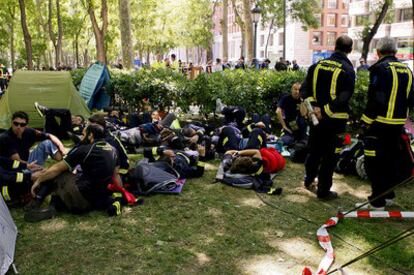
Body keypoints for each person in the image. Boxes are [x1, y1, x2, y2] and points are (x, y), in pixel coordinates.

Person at [357, 38, 414, 210]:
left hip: (379, 123)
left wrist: (365, 121)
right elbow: (411, 99)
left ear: (379, 52)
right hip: (397, 125)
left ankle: (377, 201)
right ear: (395, 52)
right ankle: (388, 195)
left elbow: (376, 98)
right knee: (390, 160)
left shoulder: (379, 68)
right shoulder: (407, 69)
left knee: (374, 163)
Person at [25, 124, 122, 222]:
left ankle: (36, 202)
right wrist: (122, 192)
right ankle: (54, 206)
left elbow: (56, 169)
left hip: (80, 199)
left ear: (90, 135)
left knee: (58, 172)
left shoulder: (85, 150)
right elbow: (116, 176)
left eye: (83, 134)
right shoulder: (114, 150)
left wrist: (39, 180)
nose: (81, 138)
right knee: (75, 178)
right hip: (96, 201)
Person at [301, 35, 355, 200]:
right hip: (336, 121)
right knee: (330, 156)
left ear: (335, 47)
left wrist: (315, 108)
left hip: (316, 120)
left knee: (314, 151)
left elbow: (304, 90)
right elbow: (344, 97)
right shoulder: (347, 69)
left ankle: (309, 180)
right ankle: (323, 191)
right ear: (350, 50)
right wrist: (325, 110)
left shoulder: (317, 65)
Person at [0, 111, 66, 166]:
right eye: (16, 123)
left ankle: (64, 163)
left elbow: (50, 136)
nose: (18, 127)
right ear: (12, 123)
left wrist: (62, 148)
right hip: (15, 168)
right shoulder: (5, 138)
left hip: (28, 163)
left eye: (22, 125)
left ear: (26, 125)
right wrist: (33, 166)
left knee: (47, 143)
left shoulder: (29, 132)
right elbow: (17, 161)